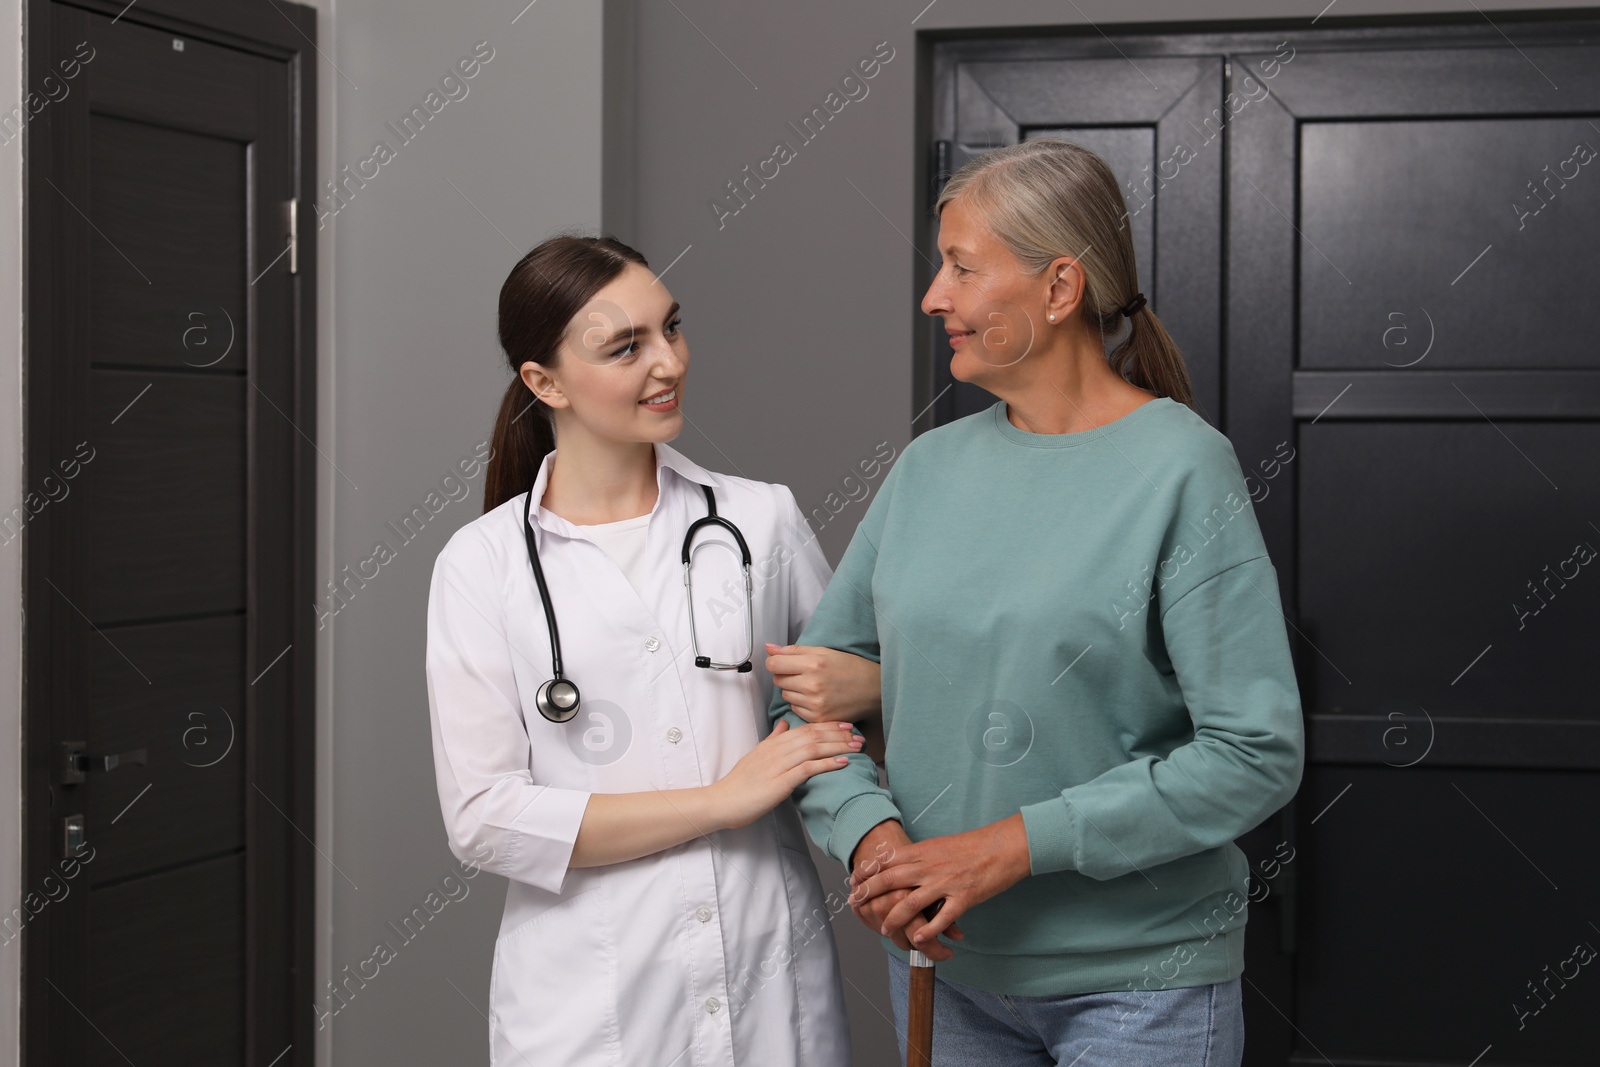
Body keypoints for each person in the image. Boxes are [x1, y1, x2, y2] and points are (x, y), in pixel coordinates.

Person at [769, 139, 1306, 1065]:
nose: (934, 296)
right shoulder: (926, 470)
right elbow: (804, 707)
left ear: (1060, 290)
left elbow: (1253, 753)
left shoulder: (1181, 468)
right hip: (946, 972)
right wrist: (872, 840)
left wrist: (1009, 847)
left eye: (962, 267)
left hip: (1142, 984)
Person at [425, 234, 885, 1066]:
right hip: (590, 1003)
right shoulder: (481, 564)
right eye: (625, 346)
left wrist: (872, 688)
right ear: (544, 381)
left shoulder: (758, 521)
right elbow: (485, 817)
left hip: (765, 971)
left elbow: (840, 721)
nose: (667, 362)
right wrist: (719, 800)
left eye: (671, 328)